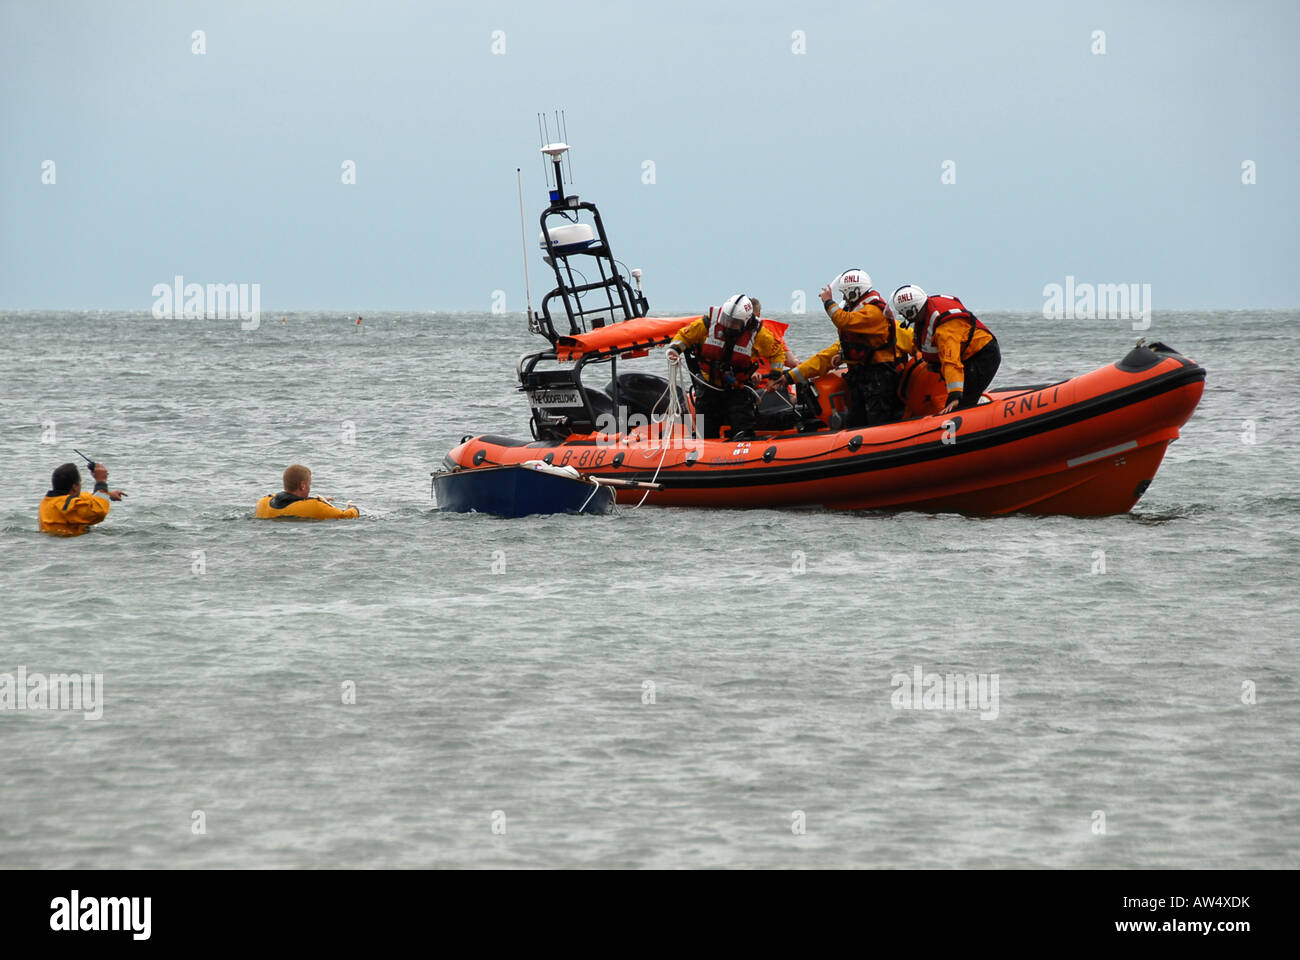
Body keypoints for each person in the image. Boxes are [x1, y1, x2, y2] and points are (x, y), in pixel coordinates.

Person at [767, 269, 904, 427]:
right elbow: (823, 359)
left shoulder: (872, 314)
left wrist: (828, 302)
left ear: (854, 292)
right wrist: (789, 377)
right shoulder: (858, 327)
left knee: (878, 421)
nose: (844, 298)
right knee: (856, 422)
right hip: (861, 378)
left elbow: (843, 320)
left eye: (845, 294)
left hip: (879, 378)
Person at [668, 294, 786, 440]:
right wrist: (674, 350)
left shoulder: (759, 334)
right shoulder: (709, 323)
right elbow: (685, 336)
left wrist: (775, 375)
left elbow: (777, 352)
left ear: (746, 322)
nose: (728, 325)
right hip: (709, 387)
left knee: (743, 429)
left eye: (734, 323)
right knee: (705, 432)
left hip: (738, 389)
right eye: (726, 320)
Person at [890, 285, 999, 413]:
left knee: (962, 405)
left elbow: (951, 361)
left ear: (911, 311)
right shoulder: (927, 315)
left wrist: (955, 395)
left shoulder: (944, 331)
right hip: (968, 356)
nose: (902, 316)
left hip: (982, 356)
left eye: (903, 313)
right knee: (961, 400)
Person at [38, 461, 125, 536]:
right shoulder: (67, 505)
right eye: (80, 482)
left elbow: (86, 498)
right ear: (75, 487)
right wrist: (101, 482)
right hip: (67, 544)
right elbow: (99, 511)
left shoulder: (49, 501)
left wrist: (108, 494)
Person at [255, 464, 359, 519]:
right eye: (309, 484)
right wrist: (353, 508)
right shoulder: (316, 507)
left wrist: (315, 499)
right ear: (303, 486)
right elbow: (346, 516)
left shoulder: (263, 502)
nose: (310, 488)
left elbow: (292, 502)